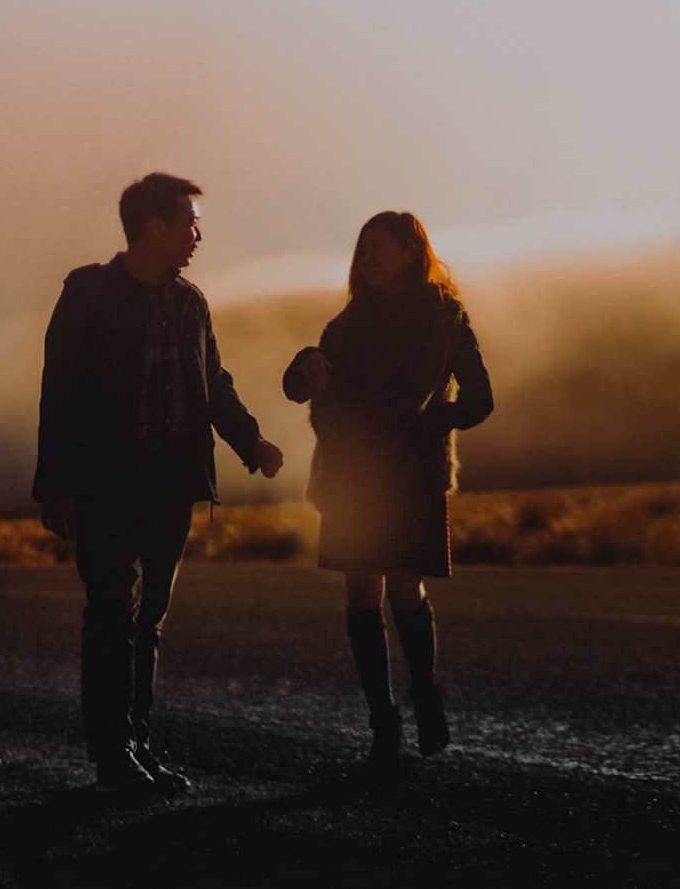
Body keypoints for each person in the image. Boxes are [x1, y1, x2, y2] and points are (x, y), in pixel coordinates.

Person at [34, 173, 284, 798]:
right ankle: (113, 755)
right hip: (106, 480)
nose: (198, 235)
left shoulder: (190, 302)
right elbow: (59, 391)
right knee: (112, 614)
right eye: (189, 222)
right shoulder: (87, 292)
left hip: (173, 482)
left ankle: (136, 746)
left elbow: (214, 384)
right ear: (154, 227)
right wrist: (56, 485)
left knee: (149, 621)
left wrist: (250, 443)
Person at [283, 211, 493, 767]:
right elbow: (294, 389)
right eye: (362, 249)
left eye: (378, 247)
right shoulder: (347, 324)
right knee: (361, 592)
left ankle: (424, 699)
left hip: (409, 474)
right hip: (352, 475)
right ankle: (384, 722)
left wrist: (429, 425)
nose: (367, 258)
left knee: (403, 588)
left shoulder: (445, 317)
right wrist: (304, 359)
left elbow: (479, 401)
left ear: (410, 249)